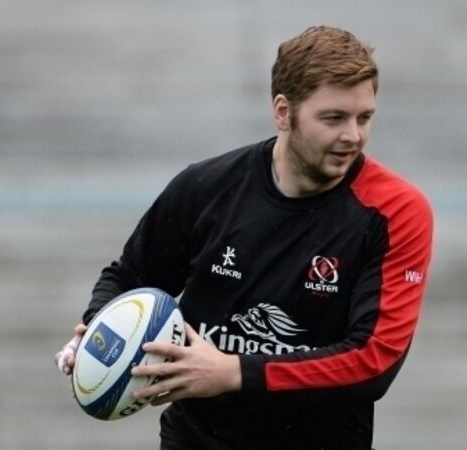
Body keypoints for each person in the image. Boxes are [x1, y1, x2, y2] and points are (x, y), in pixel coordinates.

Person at [54, 25, 433, 450]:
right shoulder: (207, 187)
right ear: (283, 112)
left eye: (364, 118)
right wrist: (97, 329)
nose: (353, 136)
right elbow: (129, 278)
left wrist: (234, 372)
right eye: (333, 118)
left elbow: (373, 361)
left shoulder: (395, 211)